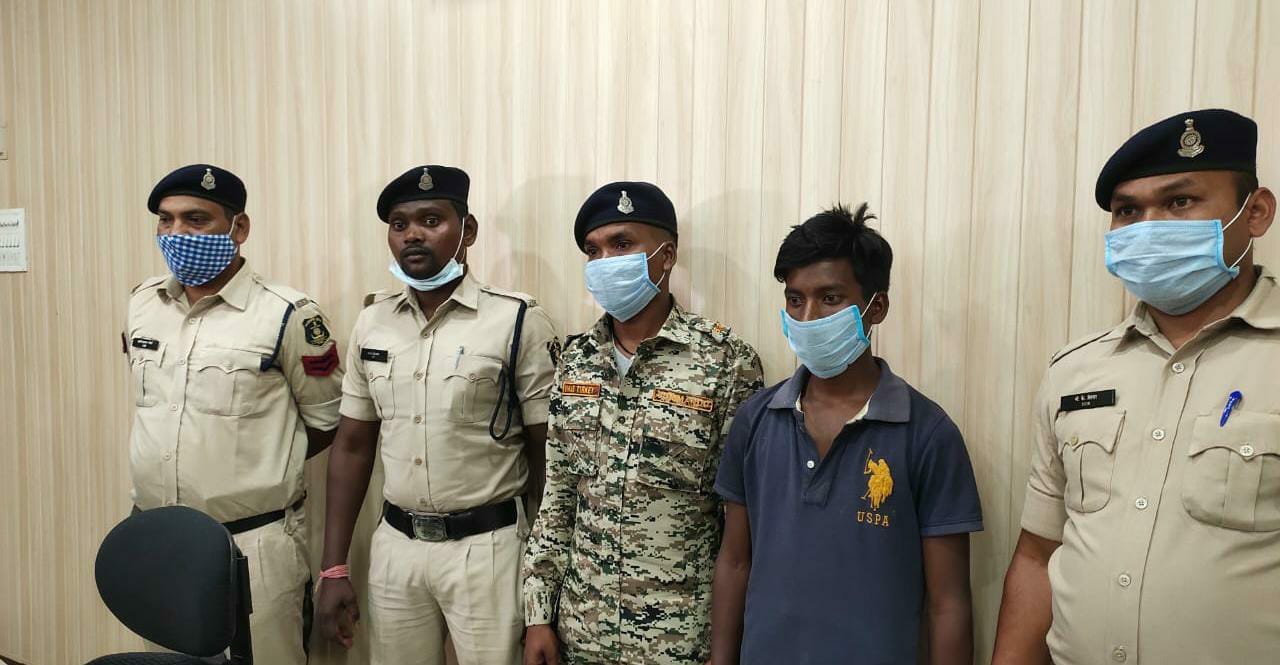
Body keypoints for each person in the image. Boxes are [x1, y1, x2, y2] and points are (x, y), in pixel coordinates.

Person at [992, 108, 1279, 665]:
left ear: (1256, 212)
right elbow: (1038, 554)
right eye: (1128, 211)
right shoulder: (1074, 371)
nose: (1149, 227)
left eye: (1180, 201)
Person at [710, 203, 982, 665]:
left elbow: (948, 602)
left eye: (830, 298)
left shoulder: (927, 433)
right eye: (795, 299)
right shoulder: (756, 419)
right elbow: (735, 561)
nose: (808, 317)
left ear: (876, 307)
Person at [316, 165, 559, 665]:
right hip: (396, 549)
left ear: (467, 231)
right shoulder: (373, 321)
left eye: (431, 220)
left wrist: (544, 579)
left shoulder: (516, 320)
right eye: (399, 224)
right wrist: (333, 568)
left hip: (488, 549)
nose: (412, 235)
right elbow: (353, 446)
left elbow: (547, 455)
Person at [522, 181, 765, 665]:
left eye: (622, 244)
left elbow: (743, 523)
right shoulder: (575, 360)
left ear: (666, 255)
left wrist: (728, 646)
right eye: (593, 250)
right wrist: (538, 615)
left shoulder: (726, 362)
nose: (604, 261)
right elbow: (559, 495)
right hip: (581, 632)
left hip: (682, 640)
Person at [125, 163, 343, 663]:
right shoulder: (143, 303)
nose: (177, 233)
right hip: (158, 537)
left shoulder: (288, 313)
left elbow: (326, 421)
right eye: (166, 220)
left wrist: (257, 465)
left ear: (238, 228)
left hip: (250, 543)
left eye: (196, 219)